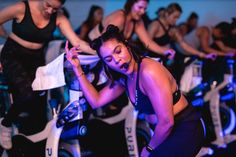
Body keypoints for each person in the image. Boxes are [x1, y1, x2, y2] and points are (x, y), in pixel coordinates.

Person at [66, 24, 205, 157]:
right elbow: (96, 101)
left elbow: (167, 122)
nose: (117, 60)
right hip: (165, 132)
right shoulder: (125, 77)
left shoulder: (148, 72)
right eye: (109, 59)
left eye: (118, 51)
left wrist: (149, 149)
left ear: (126, 45)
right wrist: (77, 69)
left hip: (185, 128)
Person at [0, 0, 95, 151]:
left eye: (55, 8)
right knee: (26, 94)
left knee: (39, 101)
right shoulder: (21, 8)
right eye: (48, 5)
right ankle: (5, 124)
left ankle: (34, 144)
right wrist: (4, 36)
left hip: (36, 58)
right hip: (13, 55)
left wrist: (100, 51)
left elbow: (76, 41)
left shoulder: (59, 17)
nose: (50, 11)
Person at [88, 0, 175, 59]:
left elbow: (148, 42)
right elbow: (103, 43)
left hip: (104, 54)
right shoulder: (120, 17)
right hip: (90, 49)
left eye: (144, 9)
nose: (142, 12)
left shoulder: (137, 21)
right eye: (140, 7)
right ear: (131, 4)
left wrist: (165, 51)